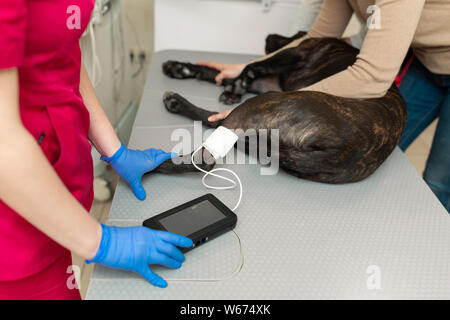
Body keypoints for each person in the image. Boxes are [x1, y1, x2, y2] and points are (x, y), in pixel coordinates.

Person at [0, 1, 193, 300]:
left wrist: (115, 150)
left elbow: (60, 55)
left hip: (53, 207)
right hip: (13, 232)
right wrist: (103, 242)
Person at [199, 0, 450, 213]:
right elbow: (318, 37)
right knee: (379, 154)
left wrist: (272, 109)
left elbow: (370, 78)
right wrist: (248, 67)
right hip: (428, 62)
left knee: (438, 181)